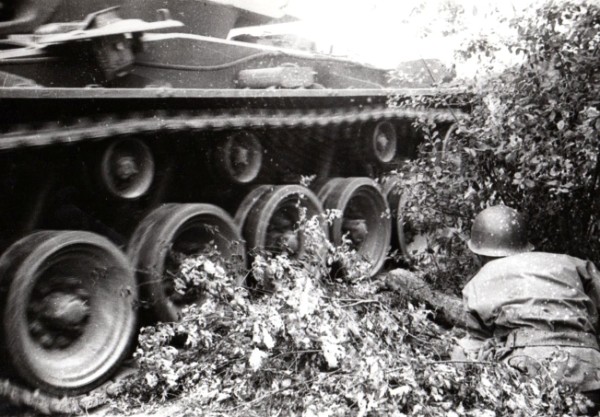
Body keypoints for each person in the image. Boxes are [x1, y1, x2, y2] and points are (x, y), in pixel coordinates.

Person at [454, 205, 600, 406]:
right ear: (525, 244)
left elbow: (477, 346)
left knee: (461, 351)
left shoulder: (477, 284)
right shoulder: (573, 263)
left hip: (529, 374)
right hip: (591, 373)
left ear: (479, 252)